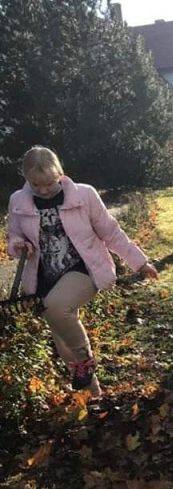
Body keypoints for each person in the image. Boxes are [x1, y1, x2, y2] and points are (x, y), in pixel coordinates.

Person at [7, 146, 158, 397]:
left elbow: (110, 231)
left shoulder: (84, 195)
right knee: (63, 341)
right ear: (26, 179)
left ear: (60, 174)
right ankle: (93, 395)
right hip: (44, 277)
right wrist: (18, 245)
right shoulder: (18, 201)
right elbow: (14, 236)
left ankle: (85, 361)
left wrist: (139, 262)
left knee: (56, 309)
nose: (43, 190)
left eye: (49, 183)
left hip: (84, 269)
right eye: (36, 185)